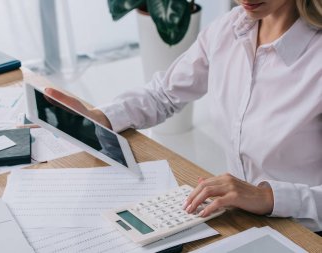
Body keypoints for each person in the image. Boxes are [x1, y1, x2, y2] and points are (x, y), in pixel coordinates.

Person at [45, 0, 322, 232]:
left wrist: (268, 197)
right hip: (238, 219)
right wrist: (101, 117)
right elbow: (163, 94)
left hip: (305, 231)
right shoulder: (231, 28)